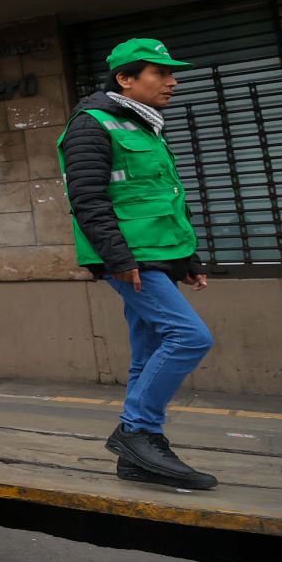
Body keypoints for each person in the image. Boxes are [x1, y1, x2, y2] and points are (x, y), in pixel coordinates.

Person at [58, 38, 217, 490]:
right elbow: (87, 199)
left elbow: (162, 198)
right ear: (125, 79)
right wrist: (117, 256)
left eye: (171, 73)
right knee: (189, 337)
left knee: (148, 352)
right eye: (160, 73)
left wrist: (187, 259)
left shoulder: (146, 126)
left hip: (157, 255)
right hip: (129, 258)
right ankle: (136, 431)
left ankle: (139, 458)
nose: (173, 81)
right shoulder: (91, 124)